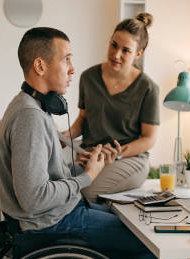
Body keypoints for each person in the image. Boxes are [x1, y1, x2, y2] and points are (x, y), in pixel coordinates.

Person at [0, 27, 158, 259]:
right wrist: (87, 178)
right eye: (66, 59)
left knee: (125, 226)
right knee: (147, 243)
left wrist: (77, 161)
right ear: (40, 66)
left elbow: (41, 177)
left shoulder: (30, 108)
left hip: (56, 215)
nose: (72, 68)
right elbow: (34, 197)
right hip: (51, 224)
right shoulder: (29, 117)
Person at [63, 12, 160, 202]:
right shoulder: (88, 78)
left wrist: (119, 152)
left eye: (126, 50)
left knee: (86, 192)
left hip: (130, 160)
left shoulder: (148, 88)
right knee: (57, 183)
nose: (116, 55)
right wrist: (63, 137)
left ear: (138, 54)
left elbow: (149, 139)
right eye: (113, 45)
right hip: (91, 156)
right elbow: (82, 120)